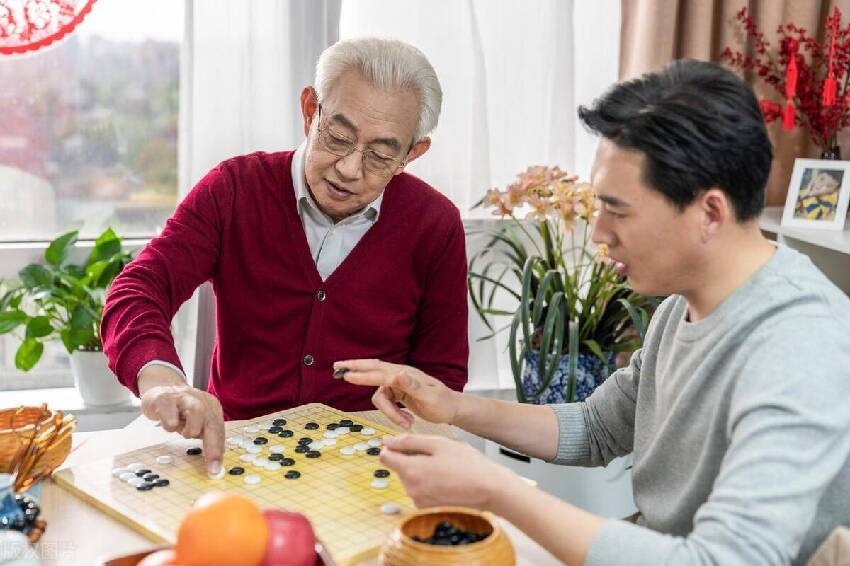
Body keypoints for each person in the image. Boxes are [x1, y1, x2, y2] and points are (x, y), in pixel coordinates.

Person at [337, 60, 850, 565]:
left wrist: (497, 490)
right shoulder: (684, 306)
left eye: (618, 210)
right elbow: (596, 427)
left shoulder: (801, 344)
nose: (600, 233)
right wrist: (452, 406)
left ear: (709, 212)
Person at [101, 38, 469, 476]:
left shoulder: (435, 224)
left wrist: (411, 415)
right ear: (310, 110)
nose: (350, 169)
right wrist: (161, 381)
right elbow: (140, 288)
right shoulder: (233, 189)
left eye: (381, 154)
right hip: (235, 447)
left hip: (366, 462)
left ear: (412, 153)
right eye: (338, 137)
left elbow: (441, 377)